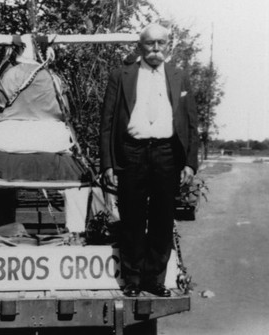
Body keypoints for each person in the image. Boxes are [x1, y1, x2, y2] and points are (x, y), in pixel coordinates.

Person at [100, 23, 199, 297]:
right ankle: (131, 280)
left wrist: (190, 163)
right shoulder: (121, 76)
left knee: (162, 218)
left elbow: (192, 124)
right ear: (139, 46)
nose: (156, 49)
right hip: (132, 152)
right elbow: (107, 122)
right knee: (131, 217)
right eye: (150, 43)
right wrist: (107, 163)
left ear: (168, 46)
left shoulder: (179, 77)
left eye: (161, 43)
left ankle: (154, 279)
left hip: (167, 154)